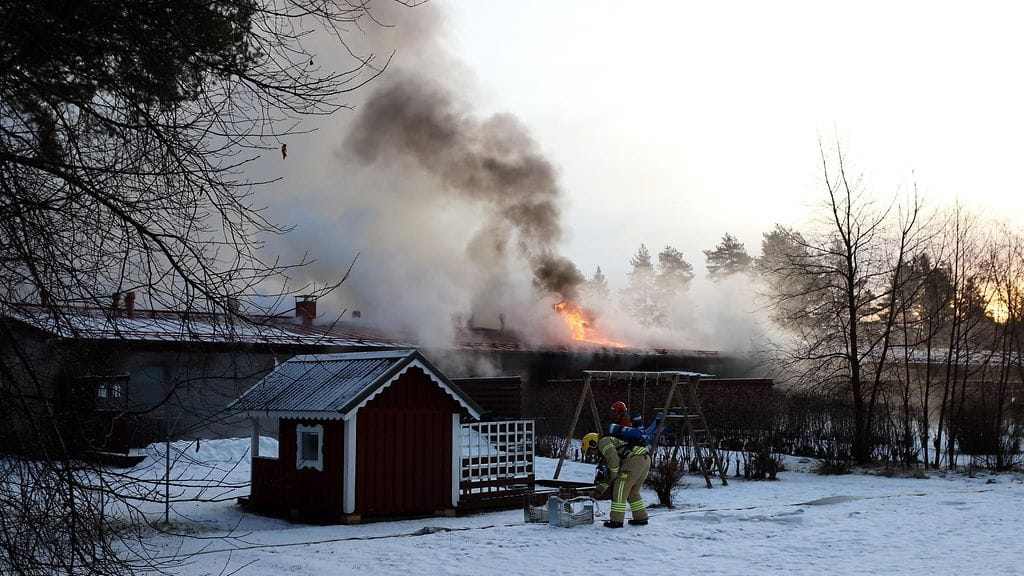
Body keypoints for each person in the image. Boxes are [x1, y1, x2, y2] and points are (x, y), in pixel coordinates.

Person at [593, 434, 650, 528]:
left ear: (593, 443)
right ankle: (641, 518)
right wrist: (599, 490)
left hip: (634, 460)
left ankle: (616, 521)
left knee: (619, 491)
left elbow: (614, 461)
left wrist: (615, 476)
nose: (593, 454)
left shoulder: (603, 442)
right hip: (645, 459)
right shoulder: (612, 443)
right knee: (633, 492)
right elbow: (610, 475)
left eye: (591, 450)